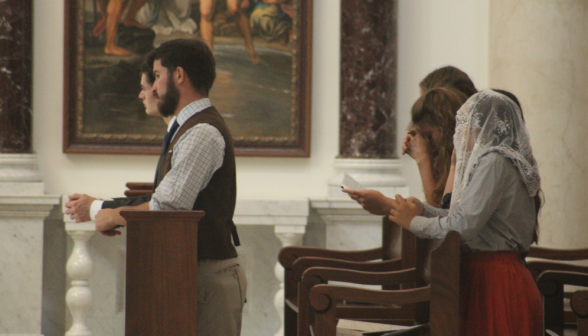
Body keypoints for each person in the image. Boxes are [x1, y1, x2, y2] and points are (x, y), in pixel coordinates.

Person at [66, 39, 246, 336]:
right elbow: (167, 196)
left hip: (208, 276)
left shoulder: (201, 132)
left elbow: (168, 206)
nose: (151, 88)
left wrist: (108, 214)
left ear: (178, 76)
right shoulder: (189, 129)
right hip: (193, 272)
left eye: (157, 74)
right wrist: (103, 207)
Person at [388, 90, 543, 336]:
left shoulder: (495, 161)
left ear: (482, 127)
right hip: (482, 277)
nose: (459, 135)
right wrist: (423, 210)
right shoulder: (490, 160)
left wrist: (415, 223)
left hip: (496, 282)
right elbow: (461, 215)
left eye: (465, 126)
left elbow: (463, 227)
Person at [344, 87, 467, 214]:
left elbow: (440, 213)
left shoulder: (463, 158)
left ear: (446, 131)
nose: (426, 143)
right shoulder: (443, 158)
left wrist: (423, 159)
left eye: (428, 135)